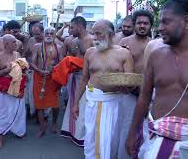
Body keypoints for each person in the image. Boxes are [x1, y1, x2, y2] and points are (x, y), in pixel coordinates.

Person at [126, 0, 188, 159]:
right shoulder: (156, 55)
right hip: (155, 138)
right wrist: (132, 133)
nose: (160, 28)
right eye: (159, 22)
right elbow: (144, 98)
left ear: (186, 21)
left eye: (165, 21)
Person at [72, 19, 136, 159]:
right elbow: (84, 79)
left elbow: (130, 81)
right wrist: (75, 104)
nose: (95, 37)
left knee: (107, 140)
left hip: (113, 103)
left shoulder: (124, 54)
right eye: (93, 34)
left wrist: (124, 85)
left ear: (111, 34)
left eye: (99, 34)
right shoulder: (90, 52)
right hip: (92, 101)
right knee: (91, 139)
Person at [60, 16, 94, 146]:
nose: (70, 29)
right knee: (74, 104)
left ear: (80, 26)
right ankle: (73, 132)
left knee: (85, 106)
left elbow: (96, 59)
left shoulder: (92, 39)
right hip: (75, 77)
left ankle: (83, 136)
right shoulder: (73, 41)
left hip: (89, 79)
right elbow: (73, 59)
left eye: (72, 27)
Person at [0, 34, 28, 148]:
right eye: (13, 42)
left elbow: (23, 70)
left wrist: (23, 71)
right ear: (6, 44)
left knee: (19, 111)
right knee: (3, 112)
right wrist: (7, 70)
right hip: (4, 89)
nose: (16, 44)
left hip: (17, 87)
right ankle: (1, 136)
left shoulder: (17, 54)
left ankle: (19, 131)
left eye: (16, 42)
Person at [31, 26, 63, 137]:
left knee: (55, 104)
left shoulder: (59, 47)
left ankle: (54, 123)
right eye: (47, 33)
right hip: (39, 77)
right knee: (39, 104)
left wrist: (55, 68)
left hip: (53, 78)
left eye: (51, 33)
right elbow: (32, 63)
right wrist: (40, 71)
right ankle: (42, 127)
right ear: (44, 35)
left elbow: (62, 64)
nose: (49, 35)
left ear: (55, 35)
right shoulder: (37, 47)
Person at [119, 10, 154, 74]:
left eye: (145, 23)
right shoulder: (124, 42)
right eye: (139, 23)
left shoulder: (155, 44)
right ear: (134, 24)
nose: (142, 26)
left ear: (150, 25)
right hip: (130, 82)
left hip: (150, 82)